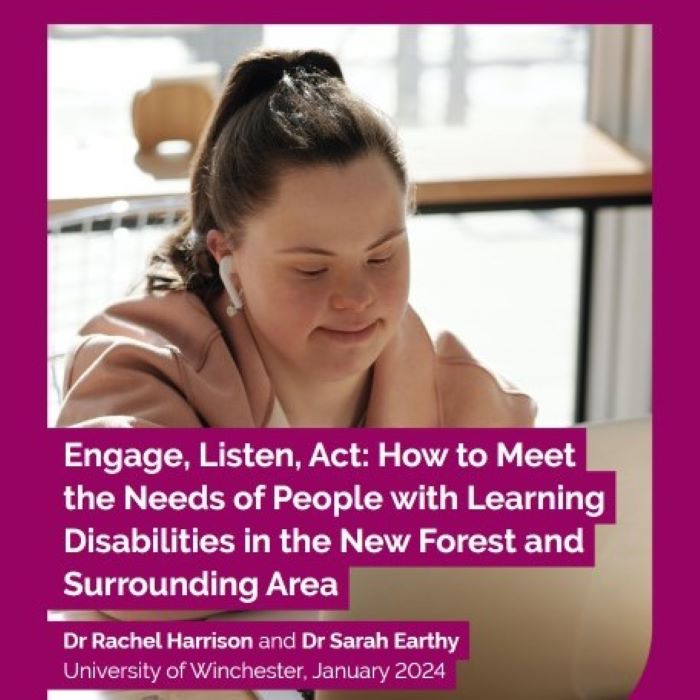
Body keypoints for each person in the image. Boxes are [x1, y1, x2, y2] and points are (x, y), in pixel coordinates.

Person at [56, 48, 535, 430]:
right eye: (313, 268)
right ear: (228, 255)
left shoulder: (469, 402)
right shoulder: (139, 372)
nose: (356, 297)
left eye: (382, 255)